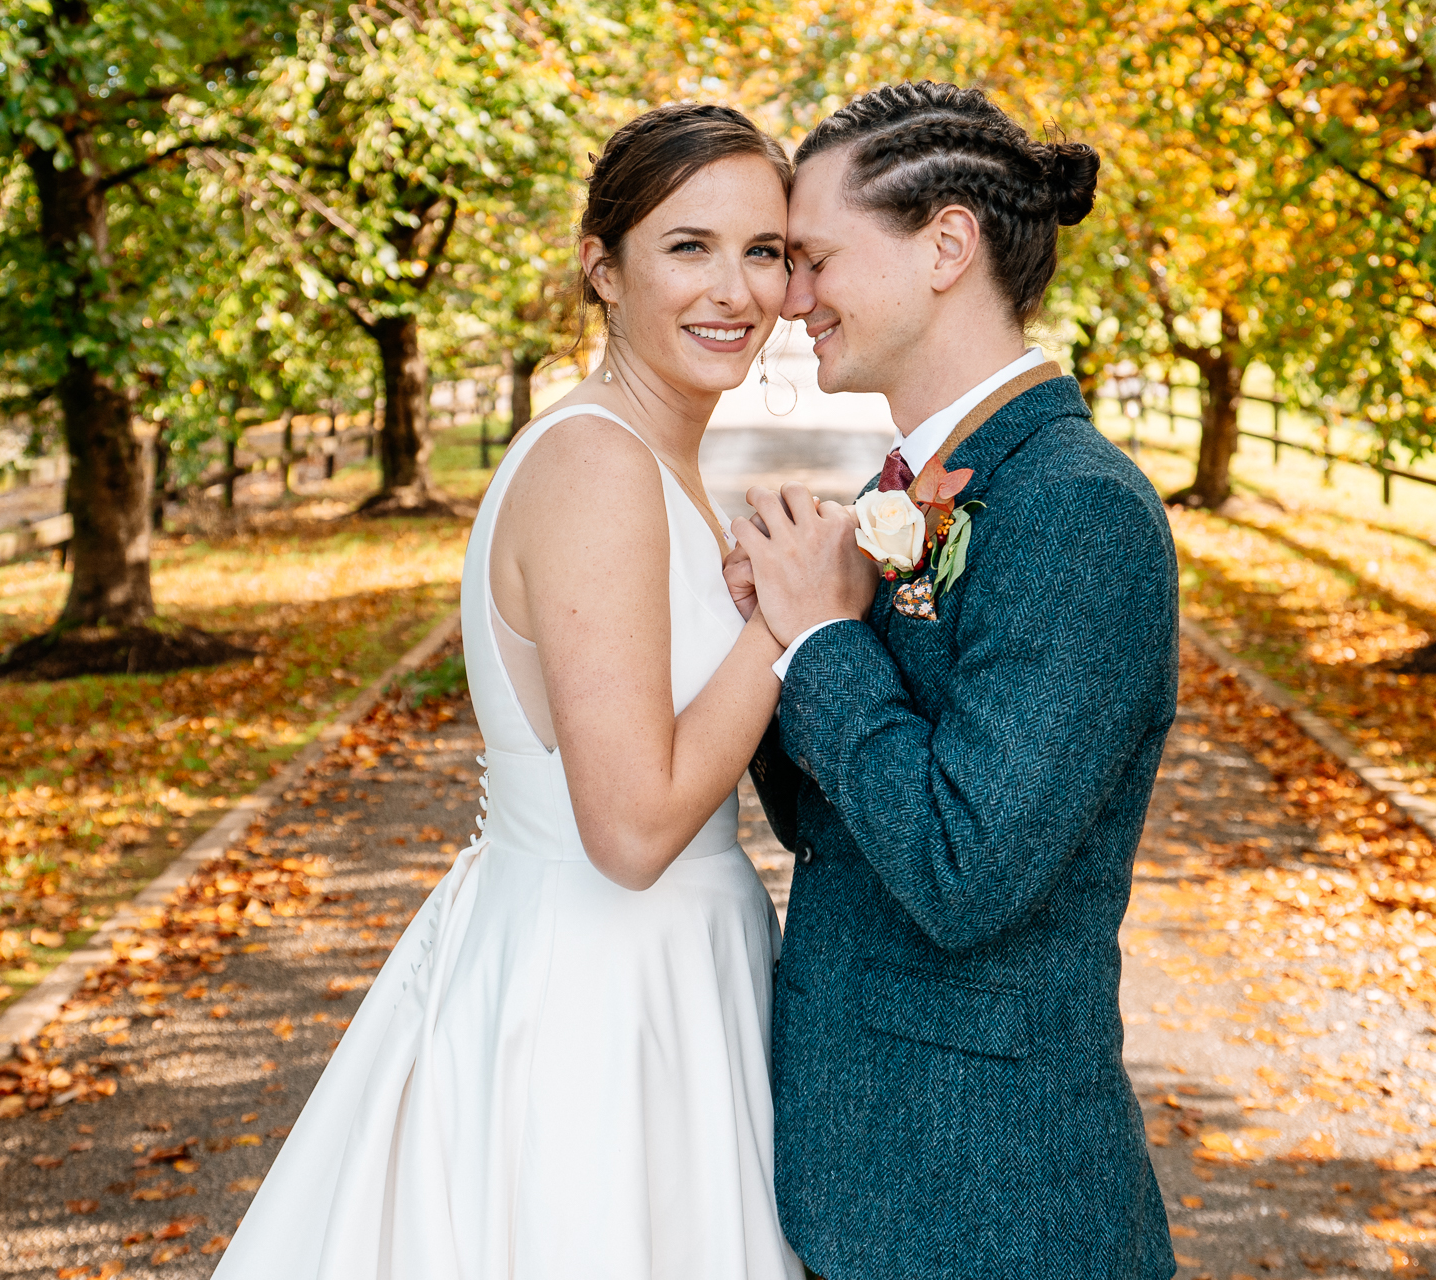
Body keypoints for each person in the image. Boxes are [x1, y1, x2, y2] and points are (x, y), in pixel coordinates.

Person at [212, 102, 820, 1280]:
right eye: (687, 246)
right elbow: (635, 826)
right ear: (603, 267)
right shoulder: (595, 463)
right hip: (602, 989)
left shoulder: (655, 458)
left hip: (675, 964)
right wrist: (795, 615)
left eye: (764, 251)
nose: (735, 290)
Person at [729, 82, 1181, 1280]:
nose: (791, 298)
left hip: (993, 1202)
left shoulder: (1077, 510)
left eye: (815, 258)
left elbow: (963, 867)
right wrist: (773, 628)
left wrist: (825, 645)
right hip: (861, 1167)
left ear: (945, 245)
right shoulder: (920, 486)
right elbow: (829, 822)